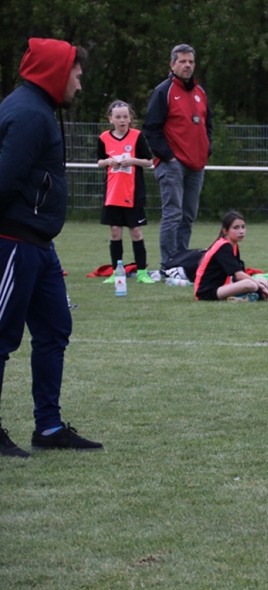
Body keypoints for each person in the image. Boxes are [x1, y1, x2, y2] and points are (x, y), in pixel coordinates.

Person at [0, 38, 103, 456]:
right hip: (14, 241)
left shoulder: (38, 108)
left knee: (55, 329)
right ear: (56, 73)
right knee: (1, 337)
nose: (79, 83)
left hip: (39, 244)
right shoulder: (29, 113)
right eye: (76, 74)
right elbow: (5, 178)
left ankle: (49, 428)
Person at [142, 43, 212, 272]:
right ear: (172, 65)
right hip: (173, 163)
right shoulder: (164, 91)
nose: (187, 65)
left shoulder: (200, 92)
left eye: (190, 61)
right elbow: (151, 128)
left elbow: (207, 125)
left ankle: (180, 262)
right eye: (182, 61)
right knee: (173, 214)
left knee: (188, 216)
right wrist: (168, 157)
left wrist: (207, 149)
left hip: (196, 165)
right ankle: (167, 264)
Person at [97, 100, 155, 282]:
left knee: (135, 231)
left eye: (125, 116)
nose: (122, 120)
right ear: (111, 119)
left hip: (133, 193)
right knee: (115, 231)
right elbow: (100, 162)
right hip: (113, 193)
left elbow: (149, 161)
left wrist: (133, 161)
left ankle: (142, 272)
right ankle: (117, 272)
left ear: (130, 119)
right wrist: (109, 162)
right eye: (118, 117)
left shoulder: (137, 136)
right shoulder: (104, 138)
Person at [193, 210, 268, 302]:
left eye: (243, 227)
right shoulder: (223, 246)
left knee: (263, 279)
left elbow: (237, 274)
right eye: (236, 228)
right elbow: (239, 275)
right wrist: (261, 287)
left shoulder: (233, 246)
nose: (241, 231)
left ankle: (248, 296)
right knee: (251, 284)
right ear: (225, 231)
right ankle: (255, 295)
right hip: (206, 292)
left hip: (224, 286)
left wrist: (260, 285)